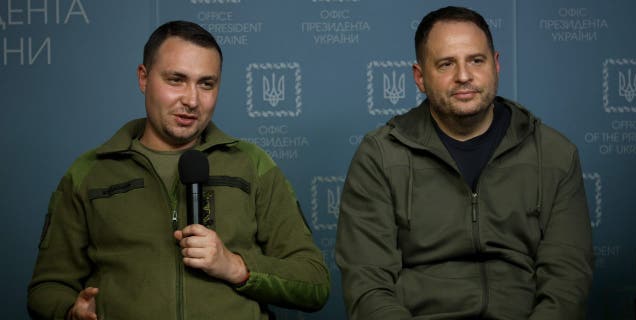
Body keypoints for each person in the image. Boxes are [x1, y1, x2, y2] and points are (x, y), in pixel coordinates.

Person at [28, 20, 330, 320]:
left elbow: (314, 282)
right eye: (176, 80)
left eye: (206, 84)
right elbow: (46, 288)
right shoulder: (90, 172)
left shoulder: (251, 164)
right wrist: (71, 311)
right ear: (143, 78)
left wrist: (236, 266)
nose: (191, 100)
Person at [335, 6, 593, 320]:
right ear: (420, 77)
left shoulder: (554, 154)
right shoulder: (380, 156)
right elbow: (368, 286)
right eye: (446, 64)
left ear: (496, 65)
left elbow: (567, 280)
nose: (464, 76)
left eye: (476, 60)